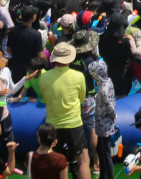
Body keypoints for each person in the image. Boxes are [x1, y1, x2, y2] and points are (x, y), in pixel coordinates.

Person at [38, 41, 88, 179]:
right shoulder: (78, 76)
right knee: (83, 161)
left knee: (54, 162)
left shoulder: (44, 77)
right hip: (74, 124)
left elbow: (44, 98)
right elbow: (82, 98)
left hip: (52, 125)